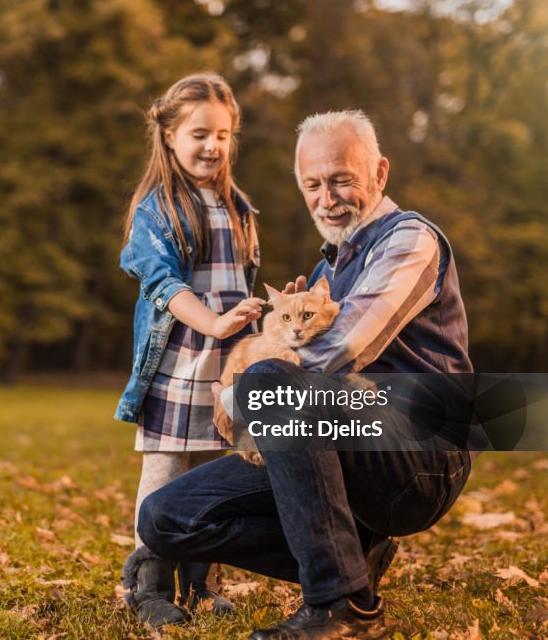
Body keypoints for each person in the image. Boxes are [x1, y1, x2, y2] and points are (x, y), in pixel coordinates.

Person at [137, 110, 475, 639]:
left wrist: (242, 393)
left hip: (422, 458)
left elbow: (344, 347)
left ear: (380, 174)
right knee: (165, 516)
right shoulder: (324, 273)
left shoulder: (409, 240)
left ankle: (343, 606)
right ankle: (353, 552)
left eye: (342, 179)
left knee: (274, 381)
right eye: (312, 184)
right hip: (340, 445)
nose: (327, 197)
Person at [114, 74, 266, 627]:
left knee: (210, 477)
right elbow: (166, 287)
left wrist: (254, 321)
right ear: (172, 136)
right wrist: (218, 323)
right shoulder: (158, 210)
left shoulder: (240, 207)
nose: (213, 146)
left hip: (225, 374)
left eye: (223, 135)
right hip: (179, 369)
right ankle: (148, 586)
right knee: (165, 475)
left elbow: (241, 286)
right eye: (200, 133)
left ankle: (201, 583)